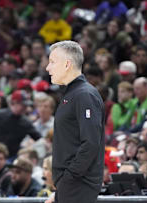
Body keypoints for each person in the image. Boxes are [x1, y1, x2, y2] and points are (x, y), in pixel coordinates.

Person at [45, 41, 105, 203]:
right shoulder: (72, 94)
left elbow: (91, 143)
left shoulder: (84, 95)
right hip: (71, 186)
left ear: (67, 64)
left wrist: (68, 178)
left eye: (52, 62)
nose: (47, 68)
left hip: (78, 185)